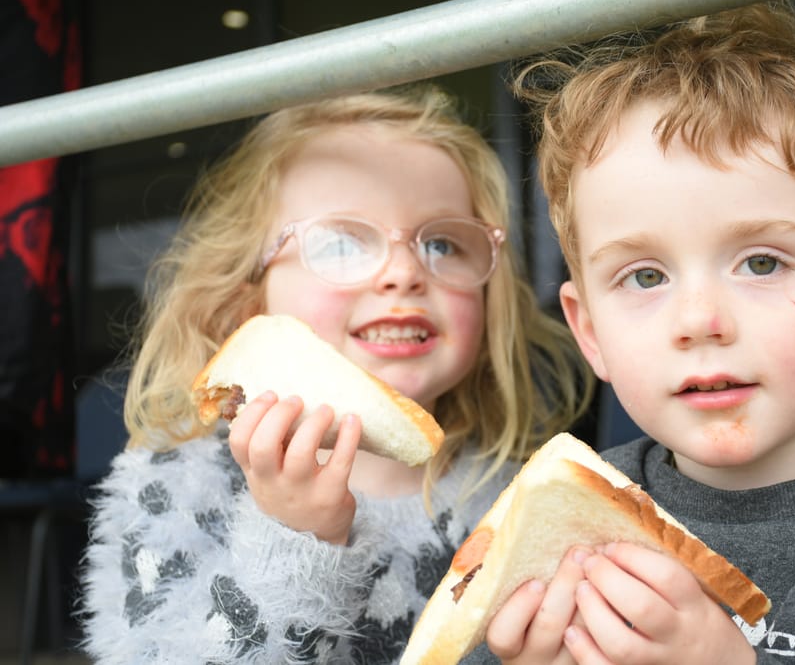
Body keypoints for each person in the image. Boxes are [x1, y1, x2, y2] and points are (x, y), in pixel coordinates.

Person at [475, 2, 795, 663]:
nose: (699, 320)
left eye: (761, 263)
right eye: (644, 277)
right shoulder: (561, 522)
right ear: (591, 332)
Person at [78, 85, 593, 663]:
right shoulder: (178, 487)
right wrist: (295, 539)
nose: (404, 272)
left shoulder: (519, 497)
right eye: (342, 243)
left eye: (443, 244)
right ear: (245, 303)